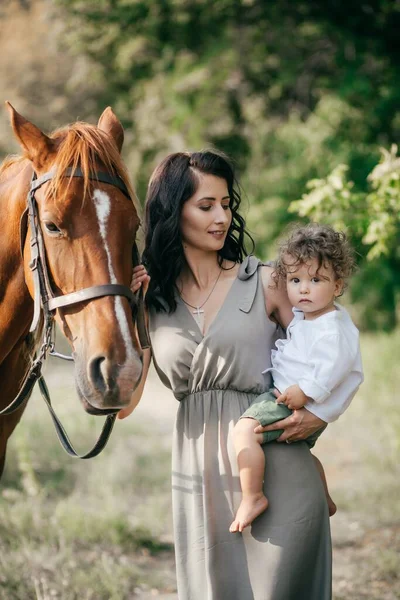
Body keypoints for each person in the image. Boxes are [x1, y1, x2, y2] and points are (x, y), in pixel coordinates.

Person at [119, 151, 333, 600]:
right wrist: (130, 312)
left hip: (278, 470)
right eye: (206, 206)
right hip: (200, 480)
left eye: (226, 204)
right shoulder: (152, 299)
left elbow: (333, 349)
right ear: (172, 211)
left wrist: (322, 415)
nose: (221, 217)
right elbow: (127, 403)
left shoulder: (269, 281)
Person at [229, 224, 364, 534]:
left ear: (338, 286)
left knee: (244, 432)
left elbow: (336, 366)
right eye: (295, 280)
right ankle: (324, 497)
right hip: (291, 395)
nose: (304, 289)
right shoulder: (309, 317)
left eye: (316, 280)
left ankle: (252, 497)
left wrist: (305, 391)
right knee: (306, 455)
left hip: (290, 399)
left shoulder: (332, 327)